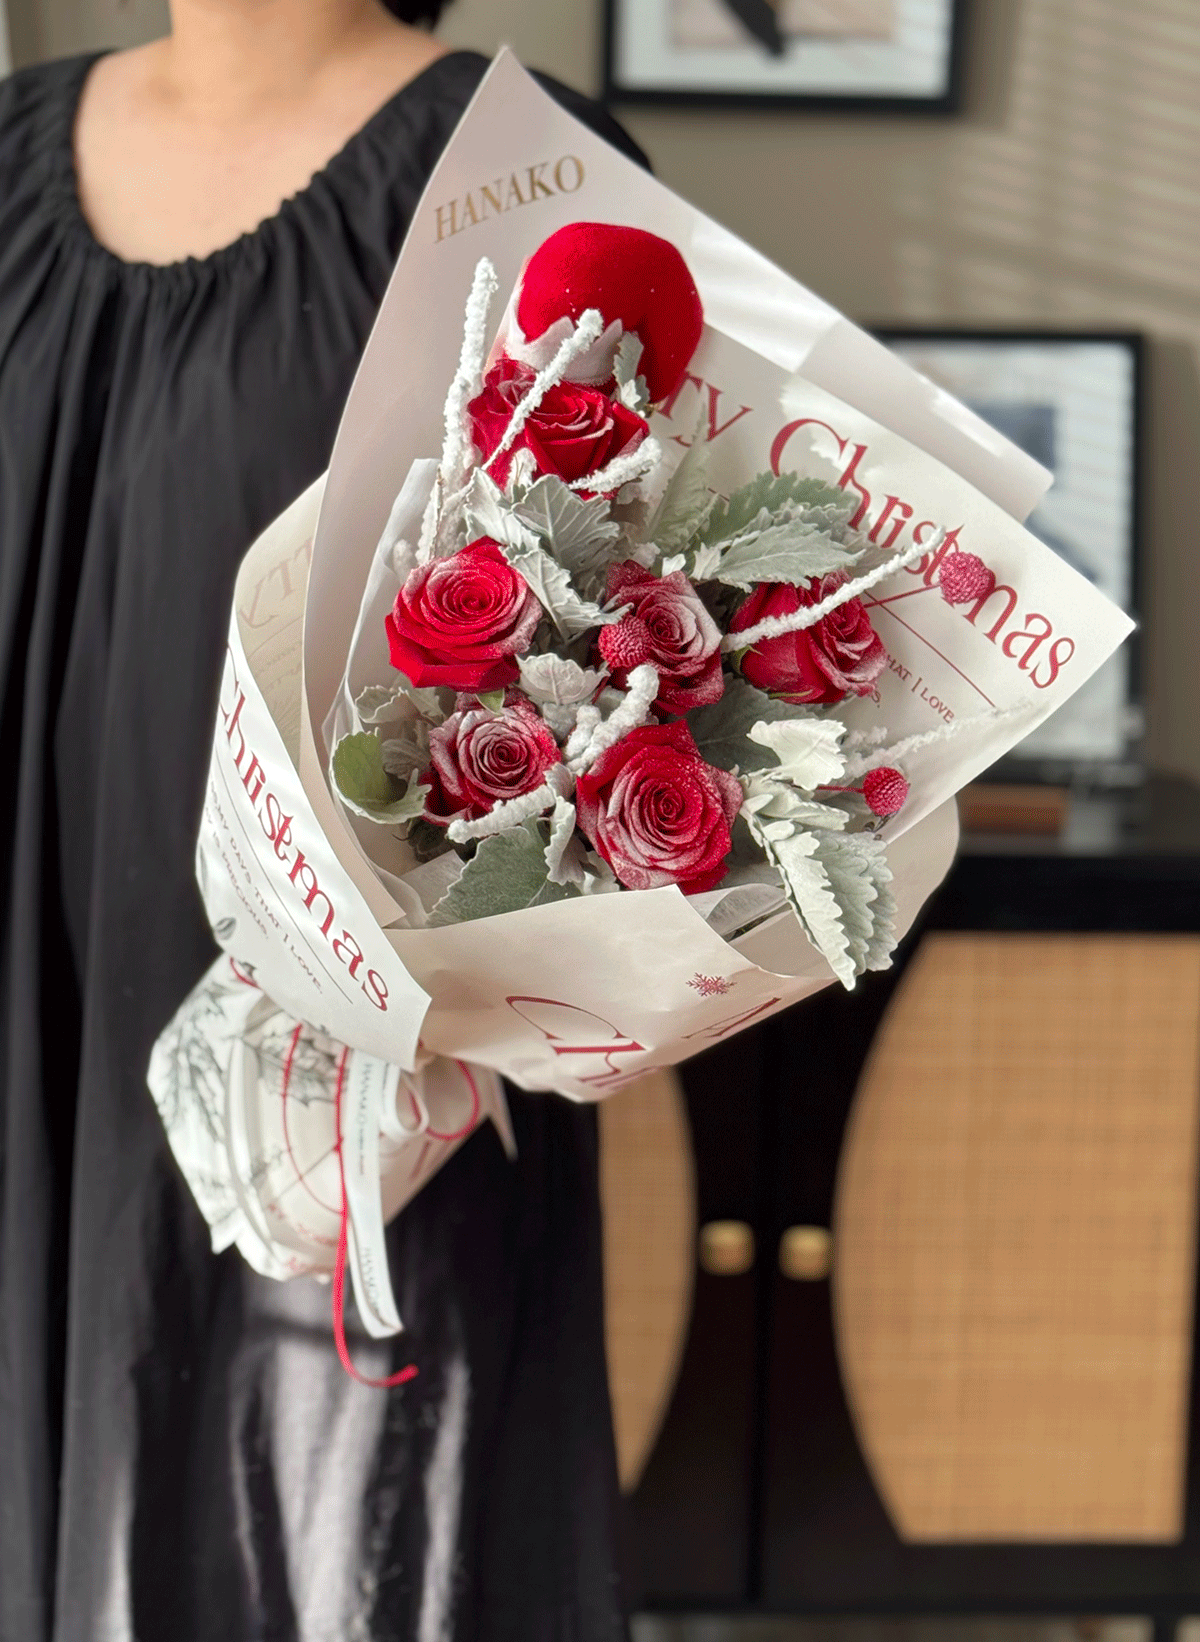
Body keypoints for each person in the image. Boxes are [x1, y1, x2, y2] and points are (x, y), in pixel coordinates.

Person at [0, 5, 647, 1638]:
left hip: (353, 1094)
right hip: (35, 1009)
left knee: (329, 1533)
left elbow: (641, 656)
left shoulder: (519, 178)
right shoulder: (7, 153)